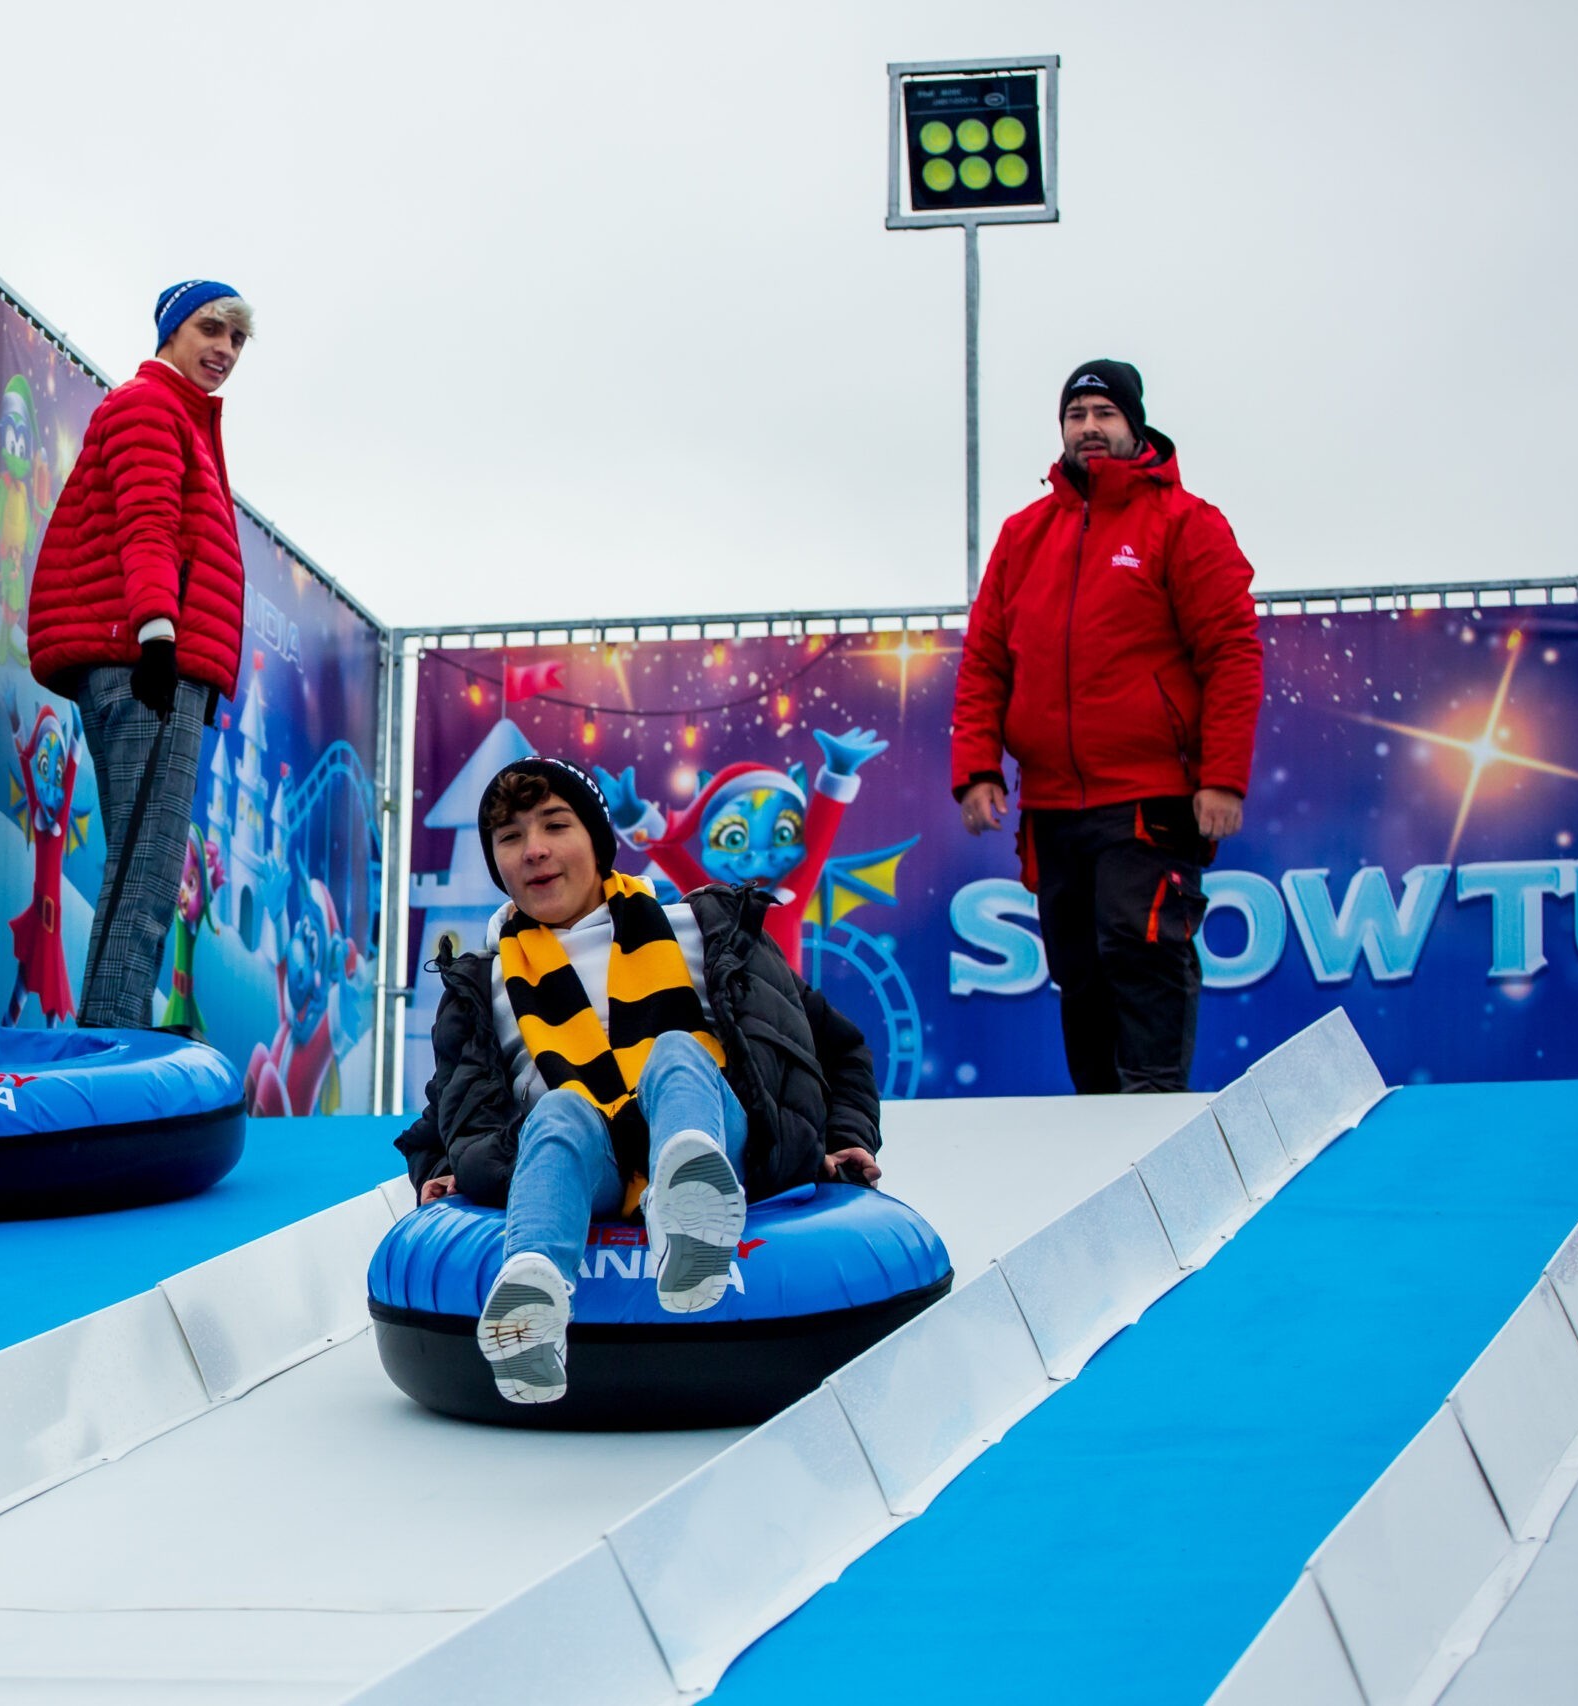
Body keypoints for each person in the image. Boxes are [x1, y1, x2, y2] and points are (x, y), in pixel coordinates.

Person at [395, 758, 884, 1405]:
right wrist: (438, 1168)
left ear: (597, 842)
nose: (534, 850)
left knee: (677, 1051)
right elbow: (449, 1108)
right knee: (560, 1111)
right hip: (586, 1166)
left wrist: (848, 1136)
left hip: (724, 1132)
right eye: (510, 837)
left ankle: (691, 1205)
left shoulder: (703, 930)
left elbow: (835, 1046)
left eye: (555, 825)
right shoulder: (486, 986)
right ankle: (531, 1299)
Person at [951, 358, 1263, 1094]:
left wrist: (1222, 778)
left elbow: (1232, 655)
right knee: (1079, 966)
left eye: (1104, 414)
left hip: (1151, 797)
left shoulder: (1186, 523)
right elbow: (985, 662)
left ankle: (1153, 1117)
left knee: (1142, 948)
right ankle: (1098, 1123)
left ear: (1134, 424)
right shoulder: (1023, 534)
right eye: (1076, 415)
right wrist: (978, 769)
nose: (1088, 428)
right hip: (1053, 804)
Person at [26, 281, 253, 1028]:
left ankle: (109, 1037)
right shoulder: (152, 407)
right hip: (148, 663)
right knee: (146, 872)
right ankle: (111, 1048)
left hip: (157, 663)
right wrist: (158, 637)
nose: (224, 349)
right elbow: (148, 525)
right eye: (210, 329)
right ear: (171, 331)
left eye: (236, 338)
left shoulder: (181, 417)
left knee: (145, 869)